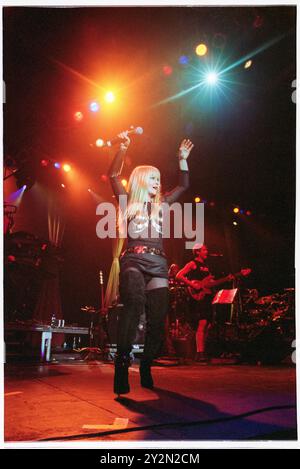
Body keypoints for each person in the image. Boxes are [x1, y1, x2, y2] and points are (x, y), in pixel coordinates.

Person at [108, 132, 194, 395]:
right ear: (143, 180)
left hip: (157, 264)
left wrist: (182, 160)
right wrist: (122, 149)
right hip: (133, 259)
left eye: (159, 179)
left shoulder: (163, 203)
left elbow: (183, 186)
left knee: (158, 321)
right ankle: (122, 365)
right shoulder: (127, 201)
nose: (158, 183)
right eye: (153, 179)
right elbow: (113, 175)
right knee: (133, 305)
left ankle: (146, 364)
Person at [176, 244, 213, 363]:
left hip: (206, 296)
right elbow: (179, 275)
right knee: (202, 323)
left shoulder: (206, 266)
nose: (207, 251)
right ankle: (199, 352)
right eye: (204, 250)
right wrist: (192, 285)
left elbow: (207, 282)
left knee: (207, 324)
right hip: (197, 297)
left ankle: (200, 351)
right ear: (197, 252)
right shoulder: (192, 263)